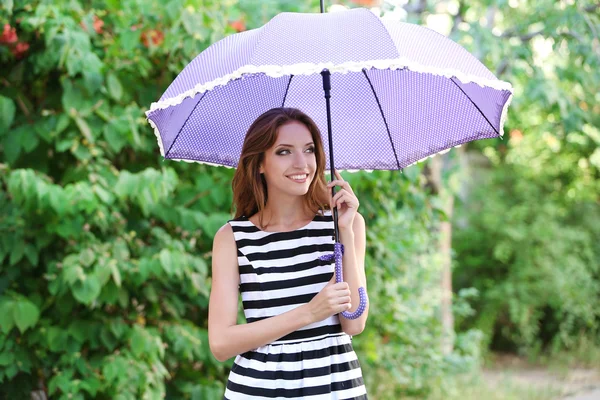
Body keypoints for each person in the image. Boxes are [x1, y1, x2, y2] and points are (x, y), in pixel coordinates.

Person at [208, 107, 369, 399]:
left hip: (335, 389)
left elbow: (354, 322)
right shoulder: (233, 238)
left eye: (309, 150)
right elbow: (220, 343)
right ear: (259, 164)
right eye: (284, 152)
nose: (301, 163)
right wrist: (309, 312)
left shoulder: (346, 224)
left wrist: (344, 229)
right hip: (259, 390)